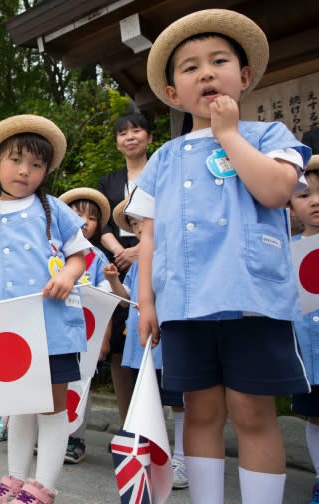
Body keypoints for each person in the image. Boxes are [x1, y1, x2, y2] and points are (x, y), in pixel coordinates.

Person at [128, 10, 312, 503]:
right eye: (190, 67)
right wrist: (146, 303)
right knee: (200, 411)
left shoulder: (268, 136)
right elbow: (149, 236)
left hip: (251, 298)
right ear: (173, 94)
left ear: (245, 76)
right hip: (184, 306)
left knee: (254, 412)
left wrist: (229, 133)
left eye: (219, 61)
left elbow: (276, 191)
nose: (206, 73)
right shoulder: (163, 159)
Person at [0, 115, 90, 504]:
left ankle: (43, 486)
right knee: (18, 407)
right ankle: (14, 480)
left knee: (51, 406)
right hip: (7, 330)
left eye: (36, 164)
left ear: (46, 170)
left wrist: (68, 274)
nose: (25, 171)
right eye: (16, 160)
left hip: (53, 326)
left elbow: (79, 254)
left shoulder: (54, 208)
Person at [104, 198, 188, 490]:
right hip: (142, 342)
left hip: (166, 338)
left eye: (144, 221)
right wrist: (114, 282)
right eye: (135, 224)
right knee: (148, 395)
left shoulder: (172, 254)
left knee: (178, 399)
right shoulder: (140, 261)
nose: (139, 228)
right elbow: (129, 296)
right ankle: (149, 453)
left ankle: (181, 458)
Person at [97, 112, 152, 423]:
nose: (130, 137)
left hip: (156, 255)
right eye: (123, 133)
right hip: (118, 262)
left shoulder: (162, 170)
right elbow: (103, 222)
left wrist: (141, 250)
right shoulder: (111, 181)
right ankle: (127, 423)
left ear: (149, 137)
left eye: (137, 130)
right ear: (117, 143)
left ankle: (155, 427)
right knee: (120, 345)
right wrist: (121, 251)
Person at [57, 187, 112, 465]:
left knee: (82, 385)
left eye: (91, 218)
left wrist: (104, 339)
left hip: (87, 334)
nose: (84, 221)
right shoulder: (54, 250)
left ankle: (75, 438)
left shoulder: (98, 258)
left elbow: (107, 300)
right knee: (54, 383)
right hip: (58, 330)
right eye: (77, 214)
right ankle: (52, 436)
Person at [289, 155, 319, 503]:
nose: (315, 201)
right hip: (307, 353)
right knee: (315, 416)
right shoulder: (287, 251)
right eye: (304, 195)